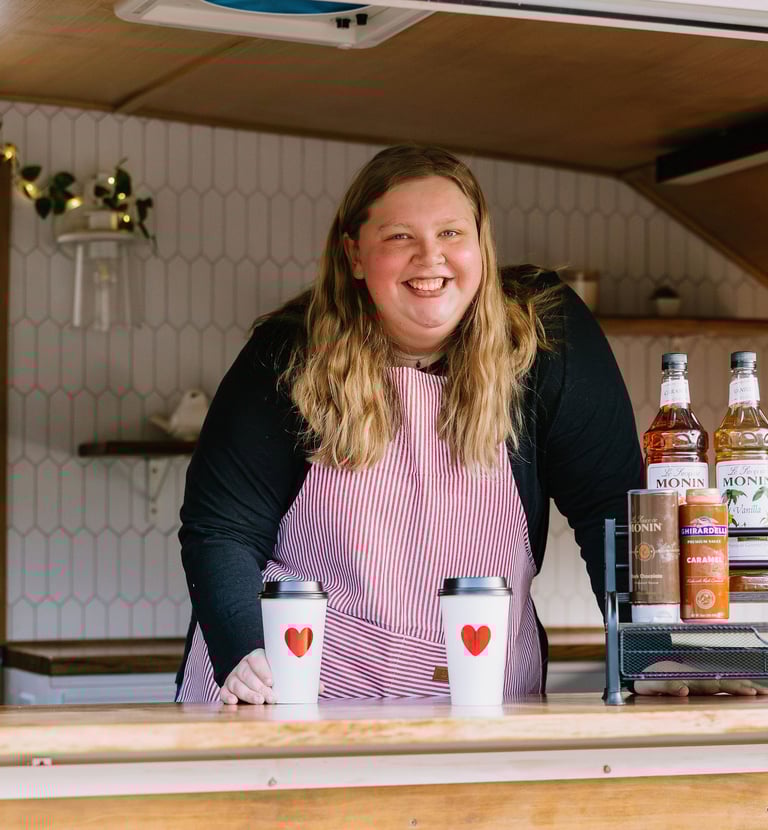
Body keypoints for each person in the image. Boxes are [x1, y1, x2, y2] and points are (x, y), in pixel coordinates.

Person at [175, 144, 766, 704]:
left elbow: (611, 510)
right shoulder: (290, 353)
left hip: (478, 688)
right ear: (355, 254)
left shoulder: (545, 339)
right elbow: (222, 527)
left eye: (452, 233)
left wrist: (649, 655)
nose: (429, 258)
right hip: (294, 686)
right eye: (399, 236)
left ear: (481, 245)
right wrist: (244, 651)